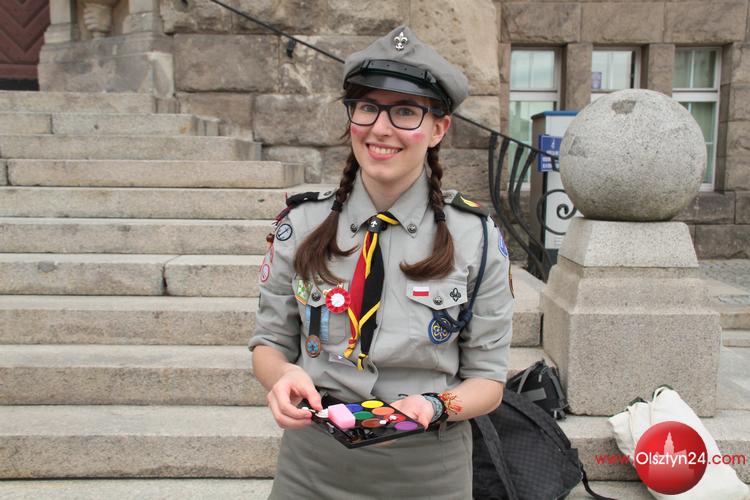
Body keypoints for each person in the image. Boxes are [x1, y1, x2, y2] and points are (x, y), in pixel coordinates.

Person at [249, 25, 514, 499]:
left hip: (428, 473)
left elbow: (488, 380)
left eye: (406, 111)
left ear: (439, 129)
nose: (380, 128)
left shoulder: (475, 237)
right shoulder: (301, 223)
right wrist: (283, 375)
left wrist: (436, 404)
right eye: (367, 107)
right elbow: (269, 342)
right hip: (312, 467)